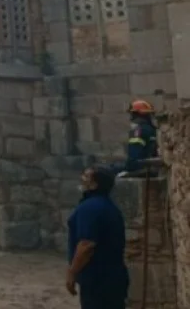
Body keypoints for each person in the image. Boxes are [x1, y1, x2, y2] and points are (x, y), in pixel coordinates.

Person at [66, 166, 128, 309]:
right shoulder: (107, 205)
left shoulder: (90, 208)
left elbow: (86, 245)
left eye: (86, 177)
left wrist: (71, 273)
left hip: (97, 281)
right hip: (113, 278)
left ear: (95, 184)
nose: (82, 179)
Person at [121, 99, 159, 176]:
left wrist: (128, 173)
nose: (131, 118)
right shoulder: (153, 130)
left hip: (141, 169)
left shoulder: (138, 132)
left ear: (137, 115)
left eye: (132, 115)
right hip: (149, 168)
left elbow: (133, 161)